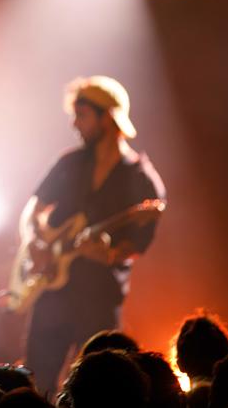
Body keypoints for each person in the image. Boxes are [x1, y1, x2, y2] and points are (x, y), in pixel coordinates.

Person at [20, 76, 166, 394]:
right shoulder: (69, 163)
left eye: (82, 115)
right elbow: (33, 210)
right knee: (35, 384)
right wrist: (36, 243)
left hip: (99, 300)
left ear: (108, 117)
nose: (75, 124)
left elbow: (136, 246)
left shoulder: (141, 179)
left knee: (97, 390)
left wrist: (109, 254)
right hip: (52, 295)